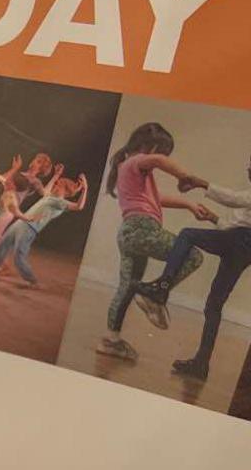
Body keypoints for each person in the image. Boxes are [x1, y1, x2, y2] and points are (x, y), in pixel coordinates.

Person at [97, 122, 215, 361]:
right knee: (192, 255)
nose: (163, 159)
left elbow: (157, 198)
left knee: (128, 286)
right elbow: (160, 162)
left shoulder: (128, 169)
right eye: (162, 152)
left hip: (128, 233)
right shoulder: (135, 161)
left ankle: (111, 340)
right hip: (143, 228)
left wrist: (190, 205)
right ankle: (153, 294)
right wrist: (185, 176)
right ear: (147, 146)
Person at [132, 153, 251, 382]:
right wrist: (213, 219)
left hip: (241, 241)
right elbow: (233, 225)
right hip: (241, 247)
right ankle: (201, 364)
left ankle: (162, 288)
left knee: (187, 235)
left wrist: (200, 182)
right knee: (213, 306)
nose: (248, 170)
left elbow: (235, 199)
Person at [0, 168, 86, 289]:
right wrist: (56, 176)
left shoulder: (59, 203)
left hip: (30, 227)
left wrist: (84, 189)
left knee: (19, 255)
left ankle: (33, 281)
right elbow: (49, 190)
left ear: (65, 191)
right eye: (56, 183)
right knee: (3, 244)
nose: (56, 185)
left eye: (59, 185)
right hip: (21, 223)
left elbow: (79, 206)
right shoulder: (50, 196)